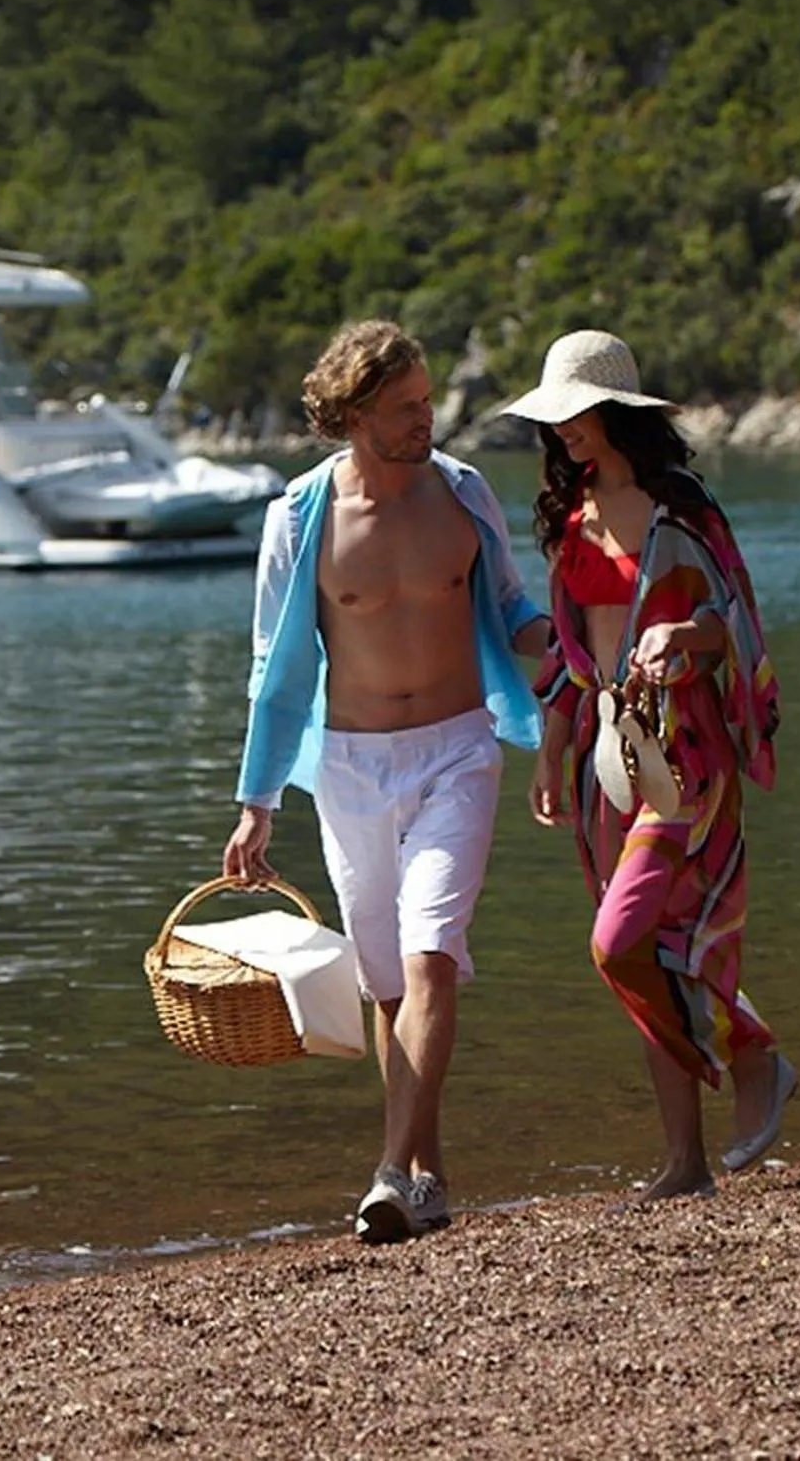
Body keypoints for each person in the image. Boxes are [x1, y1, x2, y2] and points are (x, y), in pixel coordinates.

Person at [224, 318, 551, 1246]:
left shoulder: (463, 493)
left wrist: (563, 653)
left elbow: (512, 608)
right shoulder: (299, 518)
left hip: (458, 747)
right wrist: (258, 803)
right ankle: (428, 1174)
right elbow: (275, 670)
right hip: (352, 768)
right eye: (409, 408)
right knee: (385, 984)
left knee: (431, 949)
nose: (429, 421)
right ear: (358, 413)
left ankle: (386, 1171)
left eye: (429, 402)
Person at [503, 329, 789, 1202]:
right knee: (647, 957)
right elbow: (568, 652)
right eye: (554, 422)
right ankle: (685, 1162)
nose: (563, 434)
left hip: (685, 759)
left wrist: (681, 632)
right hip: (604, 759)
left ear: (617, 412)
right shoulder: (567, 515)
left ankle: (752, 1054)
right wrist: (551, 751)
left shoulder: (683, 509)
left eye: (576, 416)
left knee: (620, 943)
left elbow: (736, 625)